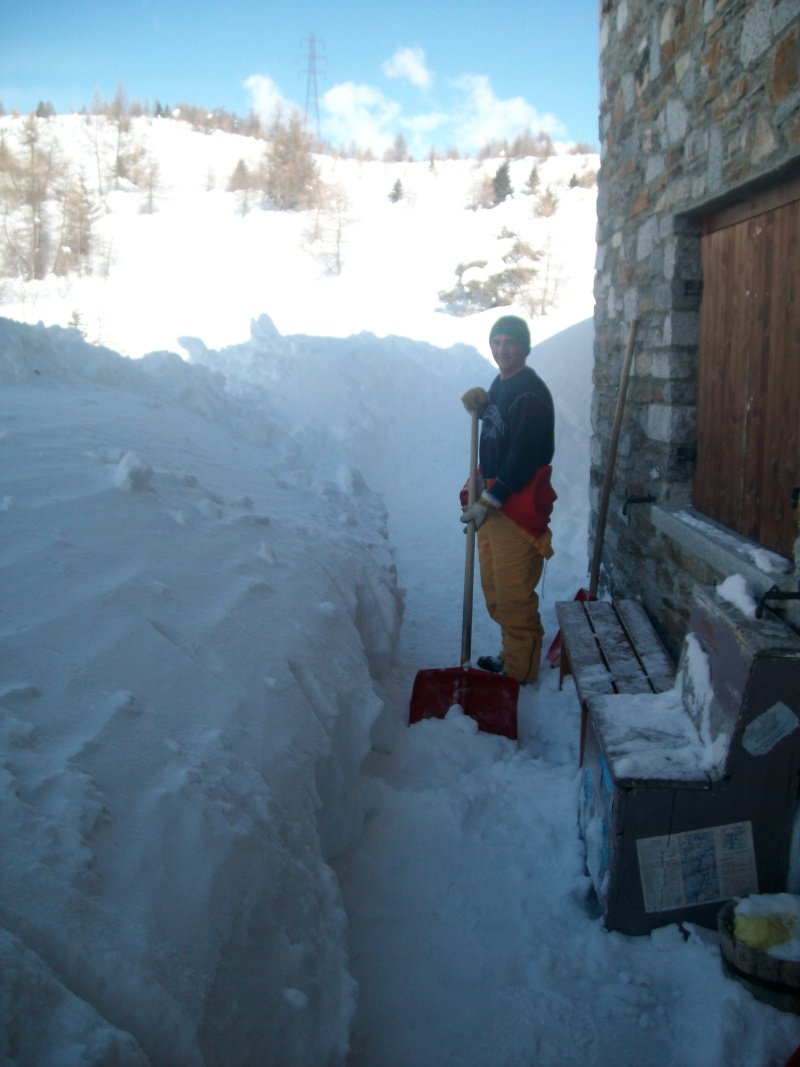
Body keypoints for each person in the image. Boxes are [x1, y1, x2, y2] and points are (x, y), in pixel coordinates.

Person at [460, 314, 556, 685]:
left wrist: (491, 499)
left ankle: (519, 672)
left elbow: (524, 456)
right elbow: (496, 437)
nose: (503, 350)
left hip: (516, 506)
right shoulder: (501, 384)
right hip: (494, 503)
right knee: (496, 593)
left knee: (514, 595)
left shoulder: (529, 392)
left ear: (524, 347)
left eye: (510, 343)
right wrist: (480, 406)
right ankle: (511, 654)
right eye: (496, 342)